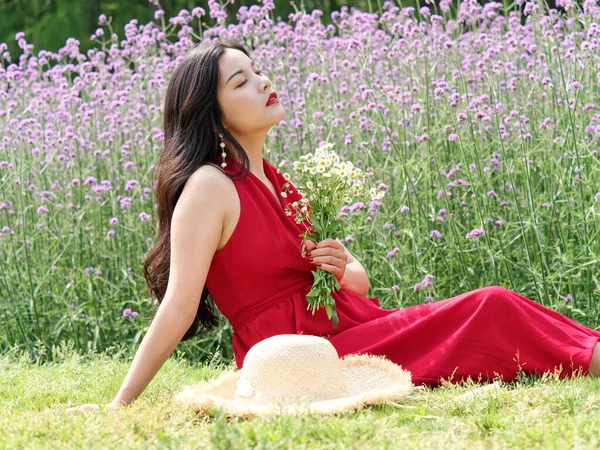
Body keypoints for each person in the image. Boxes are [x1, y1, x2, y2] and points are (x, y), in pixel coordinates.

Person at [66, 38, 600, 413]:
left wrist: (343, 263)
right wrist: (120, 404)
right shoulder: (210, 186)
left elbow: (354, 286)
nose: (263, 82)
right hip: (297, 356)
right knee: (492, 305)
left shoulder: (281, 183)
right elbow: (179, 306)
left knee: (490, 307)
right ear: (212, 112)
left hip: (345, 330)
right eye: (242, 81)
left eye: (257, 71)